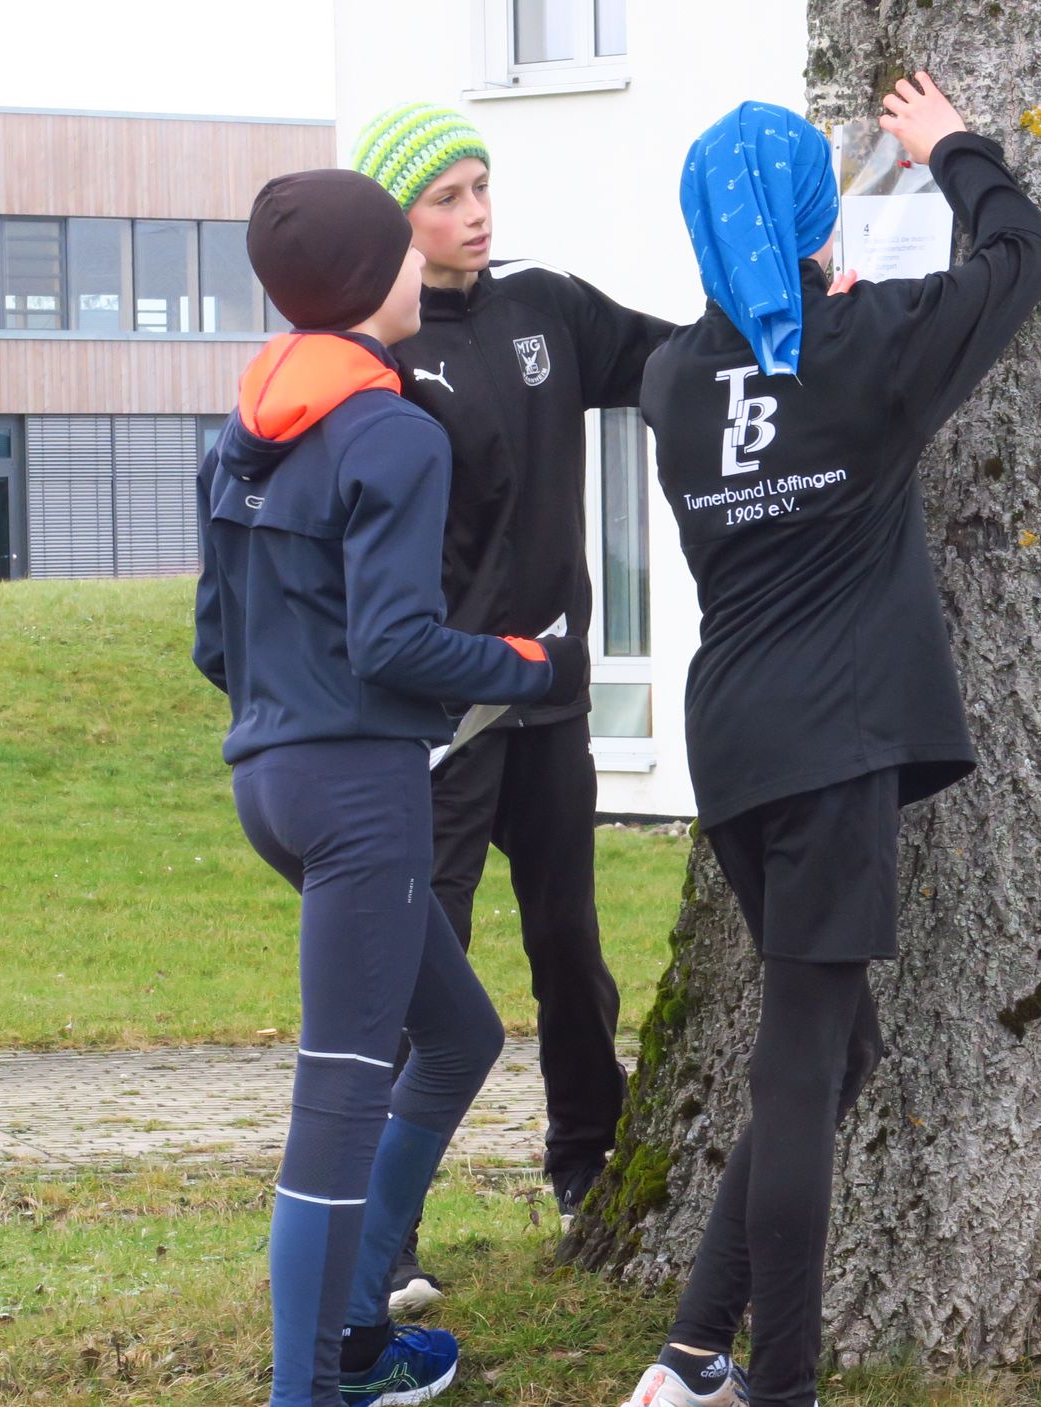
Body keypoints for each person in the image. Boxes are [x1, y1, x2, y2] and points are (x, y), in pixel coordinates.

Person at [614, 75, 1041, 1407]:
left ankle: (693, 1354)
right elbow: (1020, 256)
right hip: (833, 744)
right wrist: (949, 148)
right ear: (818, 217)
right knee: (802, 1069)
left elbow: (756, 353)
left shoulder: (670, 383)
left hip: (735, 746)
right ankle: (783, 1387)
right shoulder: (866, 345)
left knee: (835, 1048)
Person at [192, 167, 590, 1407]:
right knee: (336, 1106)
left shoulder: (243, 430)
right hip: (360, 797)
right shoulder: (393, 432)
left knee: (460, 1036)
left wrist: (297, 712)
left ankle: (357, 1336)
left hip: (270, 779)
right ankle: (310, 1389)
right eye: (408, 251)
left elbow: (215, 640)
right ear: (375, 279)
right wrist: (533, 665)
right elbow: (398, 642)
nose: (432, 261)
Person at [347, 102, 674, 1287]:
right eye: (446, 198)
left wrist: (803, 315)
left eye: (481, 186)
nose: (476, 213)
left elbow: (681, 360)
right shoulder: (378, 356)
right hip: (438, 722)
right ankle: (382, 1239)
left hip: (549, 701)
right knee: (421, 969)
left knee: (568, 943)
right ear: (397, 223)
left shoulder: (547, 308)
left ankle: (587, 1162)